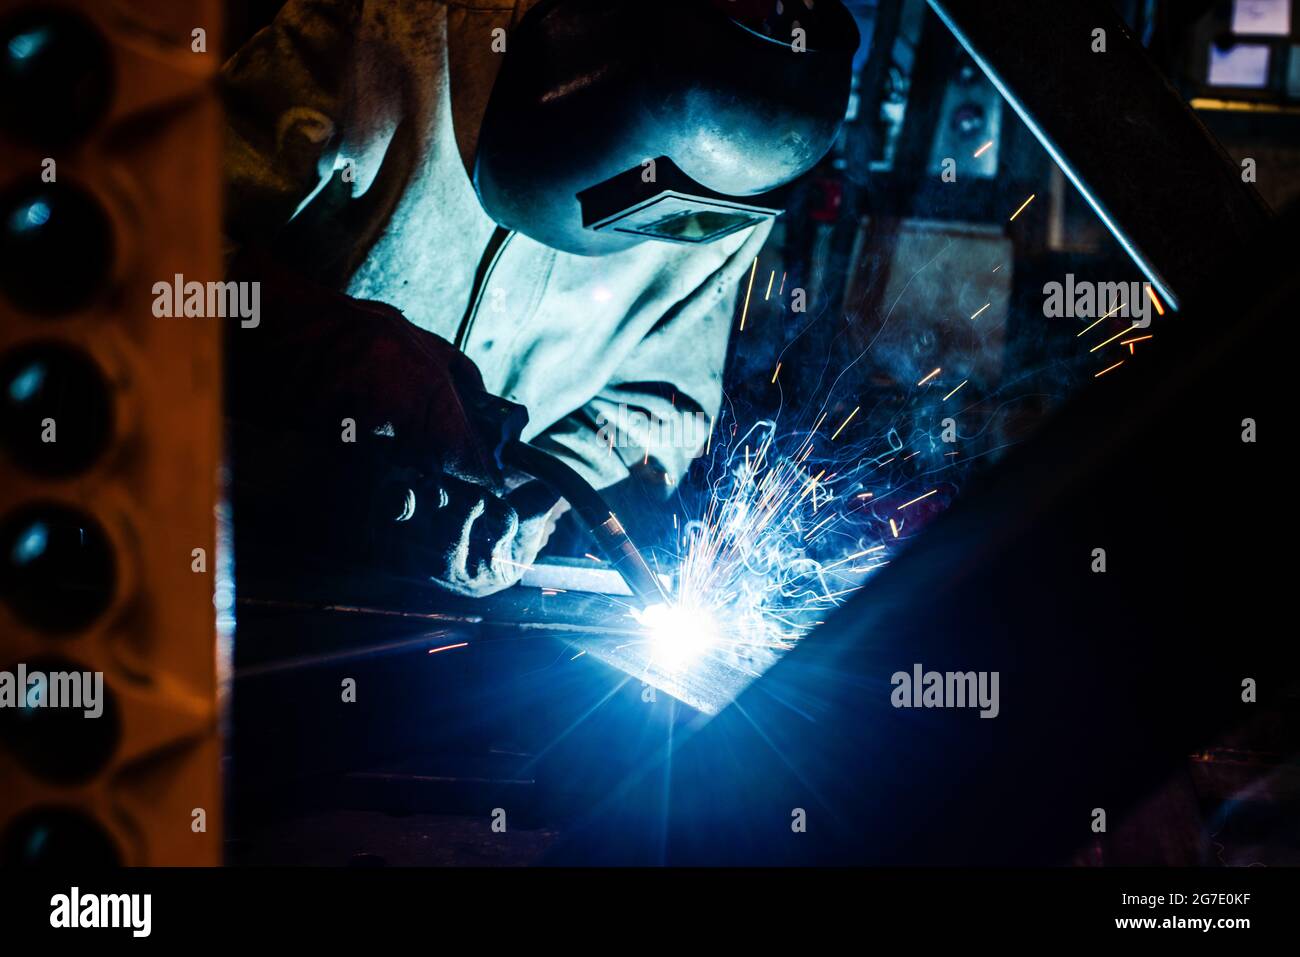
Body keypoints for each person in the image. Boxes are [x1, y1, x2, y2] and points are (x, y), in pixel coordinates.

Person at [221, 0, 854, 595]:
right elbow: (148, 263)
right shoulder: (394, 31)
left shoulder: (741, 174)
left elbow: (660, 406)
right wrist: (332, 352)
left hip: (416, 613)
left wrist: (547, 482)